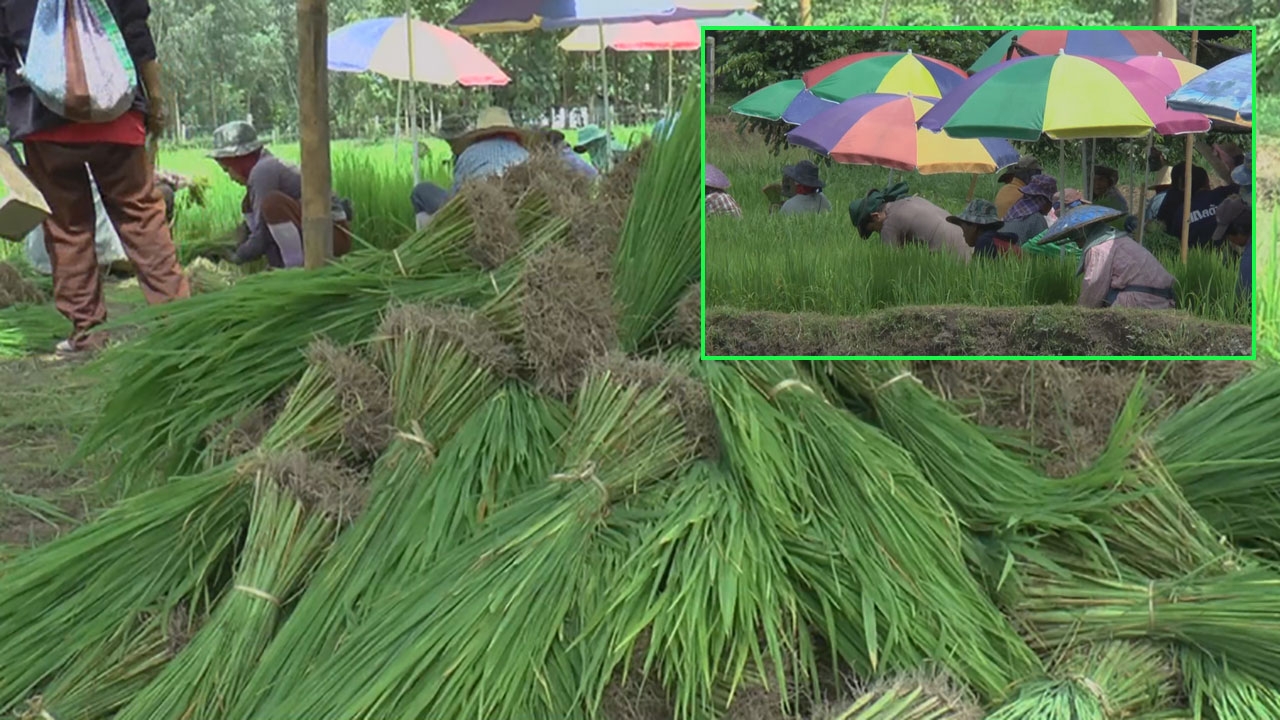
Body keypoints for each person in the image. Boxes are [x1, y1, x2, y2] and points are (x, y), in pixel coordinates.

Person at [0, 0, 190, 354]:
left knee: (68, 228)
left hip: (43, 120)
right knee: (142, 218)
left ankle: (88, 334)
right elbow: (137, 30)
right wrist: (156, 99)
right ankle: (177, 320)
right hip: (116, 112)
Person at [210, 121, 353, 269]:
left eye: (228, 169)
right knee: (250, 206)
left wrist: (239, 256)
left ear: (239, 161)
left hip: (329, 236)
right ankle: (282, 265)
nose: (231, 177)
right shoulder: (263, 168)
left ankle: (293, 268)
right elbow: (262, 227)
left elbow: (262, 234)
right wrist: (235, 241)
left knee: (273, 204)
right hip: (318, 234)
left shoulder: (262, 172)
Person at [408, 107, 533, 221]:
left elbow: (455, 199)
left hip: (473, 213)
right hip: (519, 211)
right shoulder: (526, 155)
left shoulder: (470, 154)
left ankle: (431, 233)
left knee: (420, 191)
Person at [1044, 205, 1176, 310]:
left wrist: (1079, 314)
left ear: (1084, 233)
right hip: (1161, 299)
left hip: (1140, 302)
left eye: (1076, 238)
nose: (1078, 244)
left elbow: (1094, 286)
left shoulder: (1098, 248)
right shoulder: (1118, 239)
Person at [848, 183, 972, 262]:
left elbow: (892, 265)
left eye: (874, 229)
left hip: (955, 259)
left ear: (876, 216)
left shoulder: (889, 223)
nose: (879, 233)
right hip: (972, 246)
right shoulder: (912, 200)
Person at [1156, 161, 1238, 249]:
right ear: (1206, 182)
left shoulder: (1180, 211)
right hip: (1227, 252)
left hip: (1196, 254)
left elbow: (1175, 239)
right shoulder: (1220, 194)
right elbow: (1240, 187)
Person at [946, 199, 1018, 258]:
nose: (963, 235)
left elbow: (978, 271)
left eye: (964, 229)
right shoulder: (1001, 242)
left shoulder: (984, 243)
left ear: (974, 227)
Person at [1001, 174, 1057, 244]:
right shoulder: (1036, 219)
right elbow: (1044, 245)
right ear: (1044, 201)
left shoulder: (1012, 212)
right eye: (1051, 202)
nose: (1051, 205)